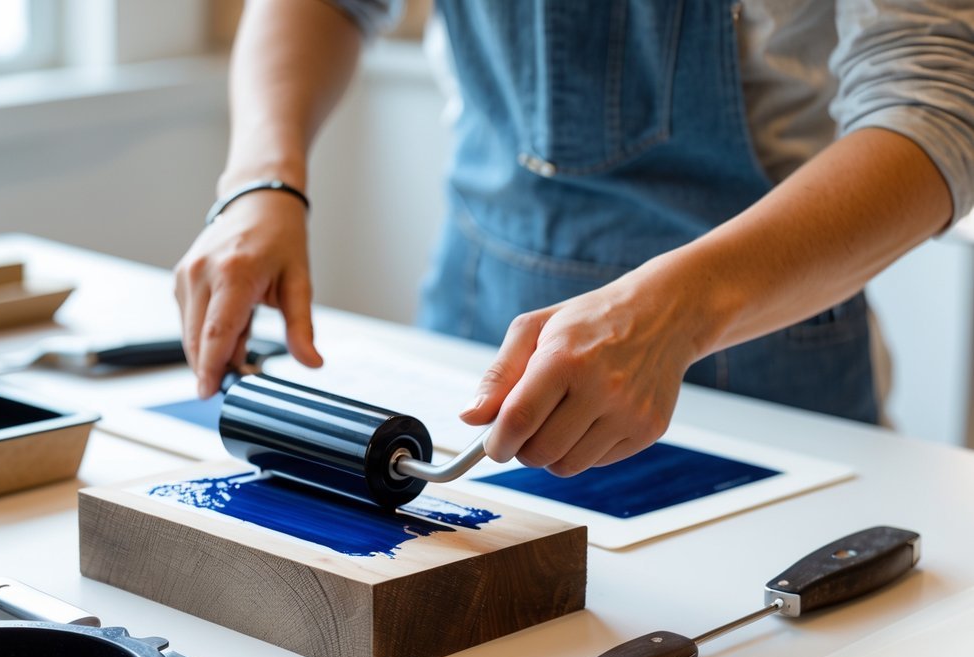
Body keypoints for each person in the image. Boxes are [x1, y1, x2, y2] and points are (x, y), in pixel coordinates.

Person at [173, 0, 974, 476]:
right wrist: (261, 180)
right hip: (472, 325)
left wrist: (680, 313)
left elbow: (936, 104)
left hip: (763, 377)